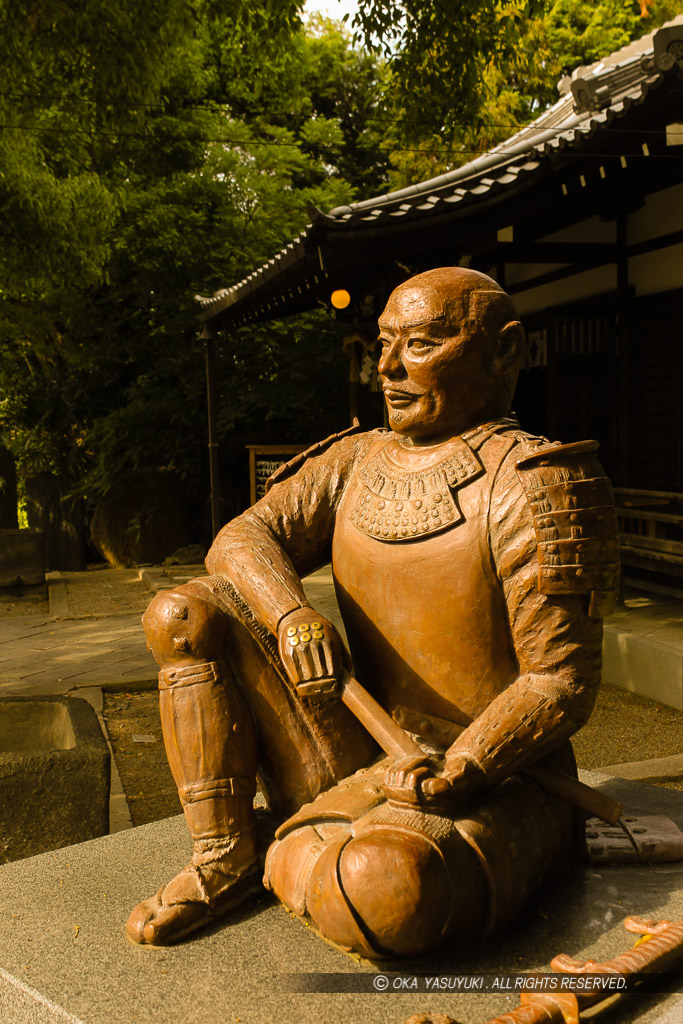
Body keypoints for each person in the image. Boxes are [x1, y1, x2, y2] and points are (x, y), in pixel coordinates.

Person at [127, 267, 618, 955]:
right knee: (184, 613)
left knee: (387, 891)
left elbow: (558, 683)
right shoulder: (356, 459)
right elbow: (240, 538)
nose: (386, 368)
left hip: (495, 776)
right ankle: (228, 854)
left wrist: (468, 765)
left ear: (505, 351)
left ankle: (308, 850)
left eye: (420, 345)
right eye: (383, 344)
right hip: (357, 736)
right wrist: (290, 614)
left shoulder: (540, 483)